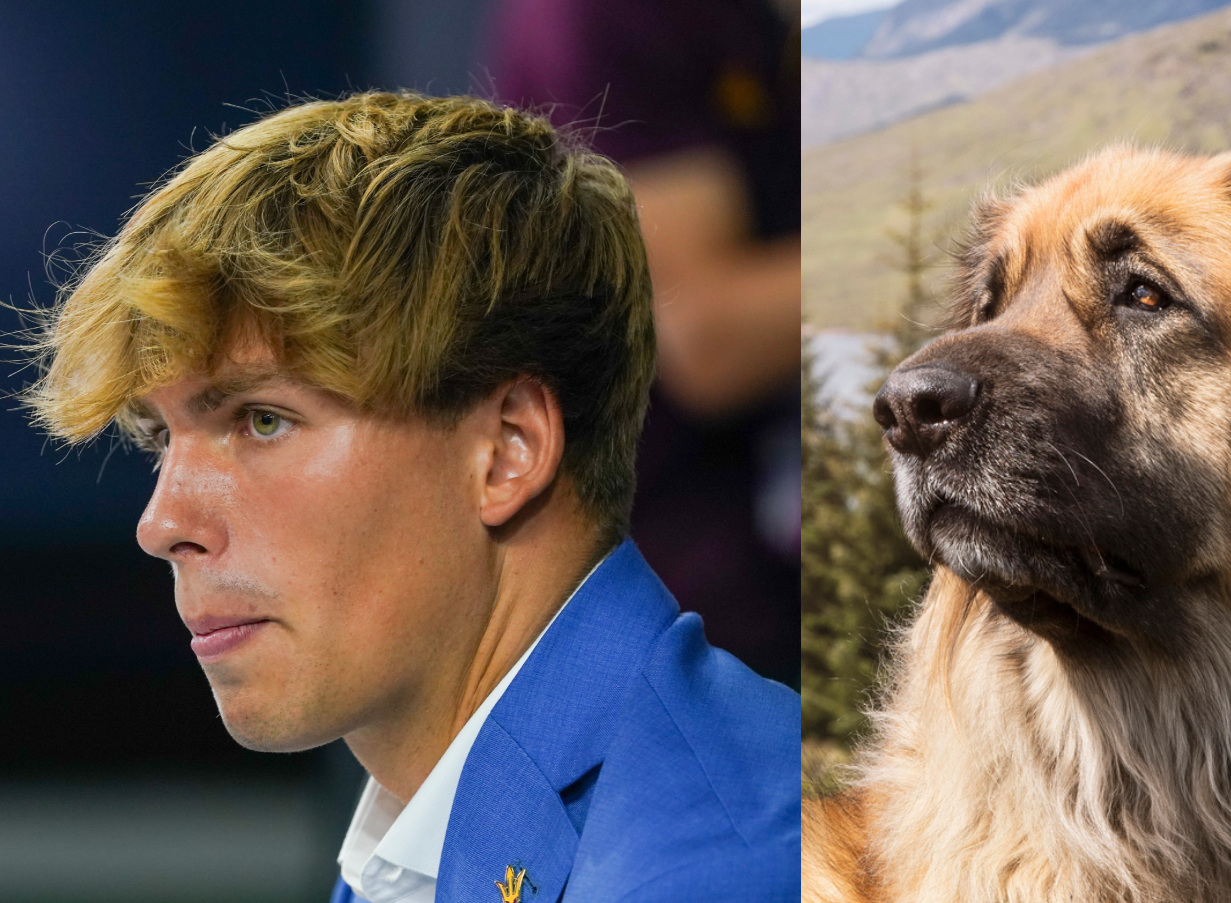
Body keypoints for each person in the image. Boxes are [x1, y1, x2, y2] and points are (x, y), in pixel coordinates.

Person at [24, 92, 798, 902]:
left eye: (261, 420)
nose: (162, 523)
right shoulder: (426, 828)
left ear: (507, 451)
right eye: (159, 439)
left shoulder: (722, 870)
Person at [485, 0, 802, 684]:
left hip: (785, 570)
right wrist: (950, 243)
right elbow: (704, 332)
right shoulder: (607, 16)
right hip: (659, 609)